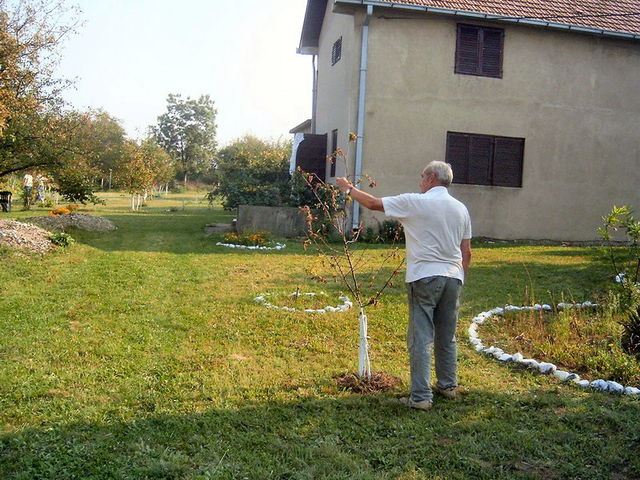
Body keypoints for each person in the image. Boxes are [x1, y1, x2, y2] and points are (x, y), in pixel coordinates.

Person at [336, 161, 472, 411]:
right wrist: (460, 278)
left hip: (424, 277)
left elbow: (373, 204)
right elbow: (467, 252)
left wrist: (348, 188)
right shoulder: (460, 209)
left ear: (431, 178)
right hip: (453, 278)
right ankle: (448, 386)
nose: (420, 182)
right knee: (446, 335)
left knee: (421, 337)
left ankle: (421, 397)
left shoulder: (416, 202)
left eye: (422, 177)